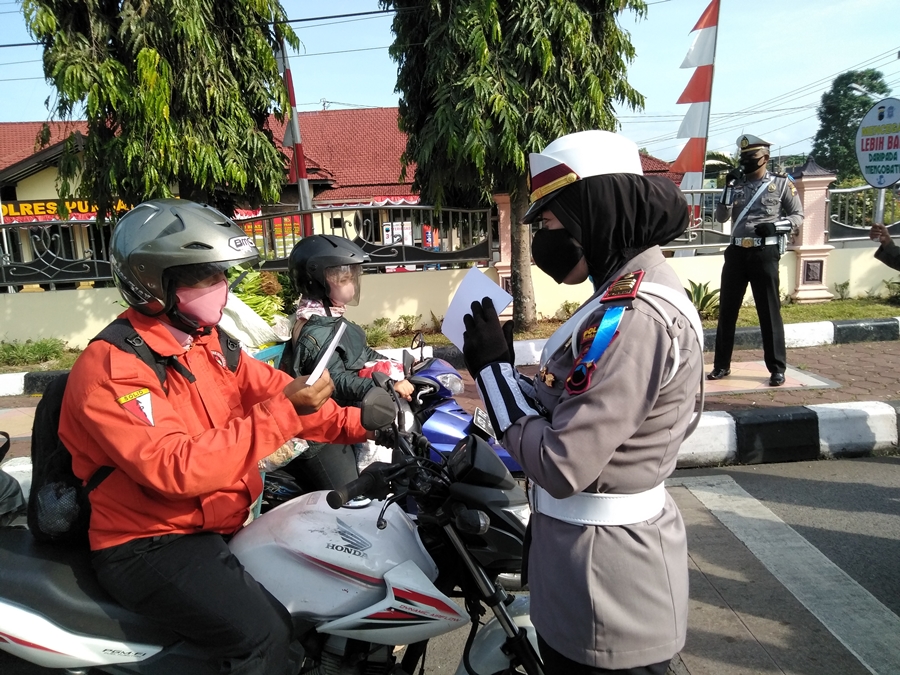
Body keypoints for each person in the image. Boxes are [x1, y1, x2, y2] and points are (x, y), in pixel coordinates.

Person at [59, 199, 374, 675]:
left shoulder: (206, 343)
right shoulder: (114, 368)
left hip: (215, 523)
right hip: (150, 542)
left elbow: (283, 392)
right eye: (205, 276)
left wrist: (359, 421)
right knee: (264, 635)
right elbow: (175, 468)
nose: (221, 288)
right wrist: (286, 412)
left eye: (221, 275)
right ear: (154, 280)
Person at [462, 130, 703, 674]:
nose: (542, 240)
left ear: (593, 211)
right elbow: (569, 403)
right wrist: (514, 381)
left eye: (548, 223)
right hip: (581, 569)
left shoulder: (633, 315)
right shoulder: (617, 293)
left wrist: (494, 375)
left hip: (608, 589)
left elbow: (560, 462)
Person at [282, 234, 414, 489]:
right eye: (344, 278)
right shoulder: (316, 330)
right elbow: (335, 380)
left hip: (343, 415)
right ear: (317, 283)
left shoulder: (333, 319)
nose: (352, 284)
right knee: (353, 496)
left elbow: (362, 353)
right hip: (318, 431)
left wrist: (397, 366)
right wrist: (386, 386)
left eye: (353, 277)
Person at [707, 134, 804, 387]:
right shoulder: (736, 185)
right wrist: (728, 188)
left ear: (765, 158)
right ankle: (721, 365)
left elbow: (798, 215)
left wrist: (776, 226)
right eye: (744, 158)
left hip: (764, 253)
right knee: (727, 311)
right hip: (737, 253)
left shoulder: (781, 184)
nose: (747, 162)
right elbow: (720, 216)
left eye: (752, 157)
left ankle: (776, 368)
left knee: (769, 312)